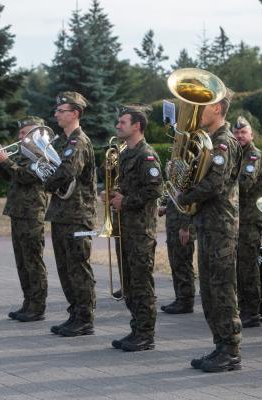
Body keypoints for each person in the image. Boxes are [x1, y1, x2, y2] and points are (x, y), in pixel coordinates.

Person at [175, 90, 243, 373]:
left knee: (222, 289)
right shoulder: (208, 141)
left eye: (202, 106)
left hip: (221, 226)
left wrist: (185, 194)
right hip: (207, 223)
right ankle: (220, 346)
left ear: (216, 108)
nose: (196, 110)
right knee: (209, 289)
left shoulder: (224, 143)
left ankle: (231, 350)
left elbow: (214, 185)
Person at [106, 104, 163, 352]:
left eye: (123, 122)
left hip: (141, 231)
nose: (118, 125)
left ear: (137, 126)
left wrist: (124, 201)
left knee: (141, 283)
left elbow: (154, 190)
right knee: (128, 283)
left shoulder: (147, 155)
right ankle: (136, 328)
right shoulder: (125, 153)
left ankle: (145, 334)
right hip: (125, 227)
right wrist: (111, 195)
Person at [46, 91, 98, 337]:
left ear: (75, 113)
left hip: (78, 214)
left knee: (78, 268)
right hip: (63, 213)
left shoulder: (78, 142)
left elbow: (67, 172)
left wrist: (44, 181)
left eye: (61, 111)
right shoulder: (65, 142)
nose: (56, 114)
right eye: (57, 111)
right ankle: (75, 313)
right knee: (65, 268)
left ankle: (85, 318)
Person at [0, 116, 49, 322]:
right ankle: (28, 302)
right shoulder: (25, 154)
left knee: (33, 260)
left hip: (32, 212)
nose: (20, 136)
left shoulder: (40, 153)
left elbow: (26, 176)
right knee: (22, 261)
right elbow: (12, 176)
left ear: (36, 134)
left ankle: (38, 305)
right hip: (18, 211)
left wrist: (5, 160)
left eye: (24, 133)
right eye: (20, 133)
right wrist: (0, 162)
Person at [233, 116, 262, 328]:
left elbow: (244, 184)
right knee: (239, 267)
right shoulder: (236, 155)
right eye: (236, 133)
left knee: (248, 267)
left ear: (251, 135)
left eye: (243, 133)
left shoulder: (253, 156)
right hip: (237, 220)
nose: (239, 136)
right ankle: (243, 306)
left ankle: (252, 311)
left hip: (249, 220)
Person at [159, 194, 196, 314]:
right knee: (175, 263)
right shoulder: (177, 177)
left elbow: (189, 202)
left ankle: (186, 301)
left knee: (183, 263)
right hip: (174, 225)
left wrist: (185, 227)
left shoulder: (188, 177)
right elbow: (174, 196)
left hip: (182, 226)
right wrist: (166, 207)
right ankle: (180, 298)